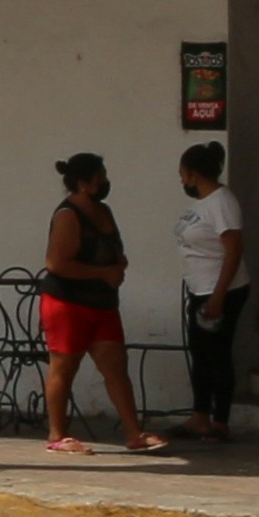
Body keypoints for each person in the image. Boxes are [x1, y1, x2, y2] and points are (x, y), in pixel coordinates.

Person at [39, 152, 166, 454]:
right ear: (84, 183)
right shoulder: (68, 215)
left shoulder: (104, 212)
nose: (106, 180)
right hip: (67, 303)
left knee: (116, 368)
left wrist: (118, 265)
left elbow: (112, 248)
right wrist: (103, 273)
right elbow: (56, 264)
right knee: (64, 367)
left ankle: (134, 433)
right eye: (101, 176)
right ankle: (57, 435)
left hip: (103, 303)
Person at [175, 142, 248, 446]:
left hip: (221, 291)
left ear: (193, 173)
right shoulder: (201, 204)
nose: (181, 181)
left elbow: (233, 249)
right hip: (199, 288)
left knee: (217, 354)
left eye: (182, 175)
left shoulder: (222, 202)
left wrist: (218, 296)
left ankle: (220, 421)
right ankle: (199, 415)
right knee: (201, 354)